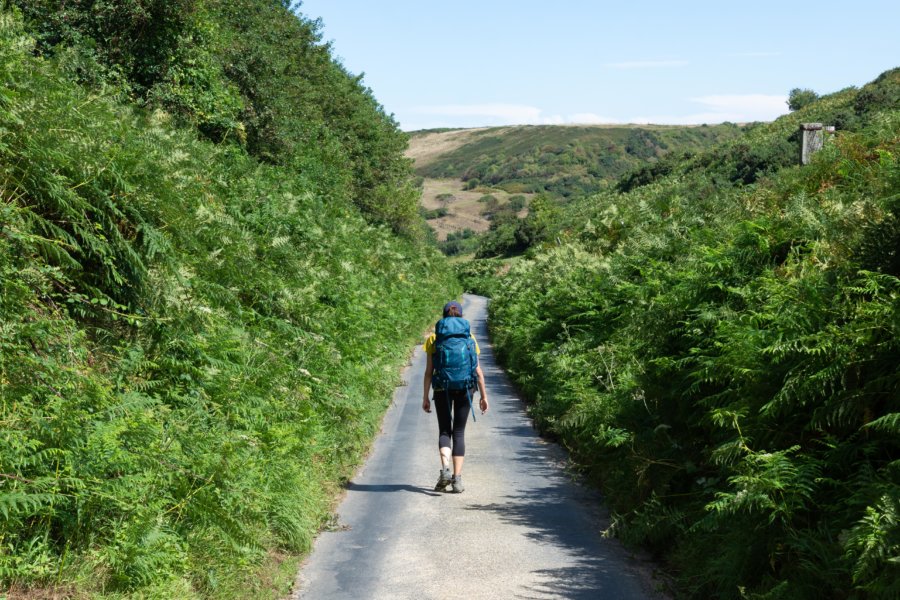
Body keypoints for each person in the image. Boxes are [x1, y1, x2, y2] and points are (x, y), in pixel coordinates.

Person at [422, 300, 488, 493]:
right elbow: (478, 370)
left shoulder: (434, 339)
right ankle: (457, 480)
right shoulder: (470, 338)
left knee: (444, 431)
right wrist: (484, 396)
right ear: (461, 317)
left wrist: (425, 396)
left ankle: (445, 470)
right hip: (465, 388)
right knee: (459, 433)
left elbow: (428, 372)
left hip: (442, 388)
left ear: (443, 317)